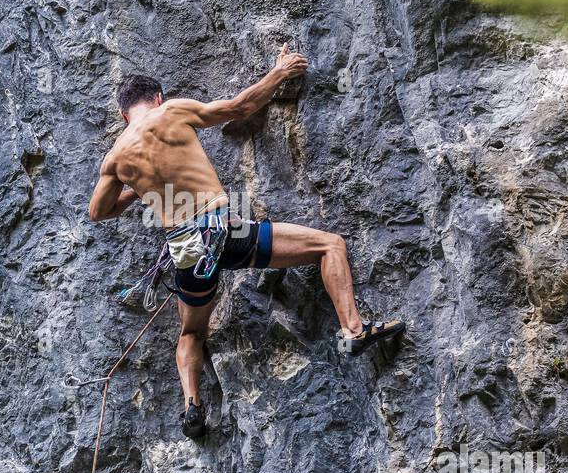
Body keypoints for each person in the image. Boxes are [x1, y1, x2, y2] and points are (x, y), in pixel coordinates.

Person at [88, 46, 404, 439]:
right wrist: (280, 71)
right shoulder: (170, 112)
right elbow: (240, 107)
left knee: (191, 333)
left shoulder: (115, 158)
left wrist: (138, 185)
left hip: (184, 249)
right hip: (222, 231)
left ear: (123, 114)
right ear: (157, 98)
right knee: (330, 245)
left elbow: (99, 212)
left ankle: (193, 406)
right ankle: (353, 330)